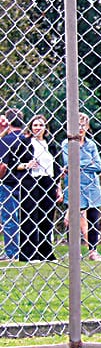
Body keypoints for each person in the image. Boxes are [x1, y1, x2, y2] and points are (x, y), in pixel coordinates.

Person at [16, 114, 63, 262]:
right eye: (35, 125)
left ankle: (45, 252)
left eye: (41, 125)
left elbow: (56, 167)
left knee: (46, 217)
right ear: (30, 127)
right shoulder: (25, 142)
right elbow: (14, 164)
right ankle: (29, 253)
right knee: (30, 217)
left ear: (45, 128)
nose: (38, 128)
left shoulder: (50, 144)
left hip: (47, 181)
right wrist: (26, 165)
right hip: (31, 181)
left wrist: (58, 186)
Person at [62, 114, 101, 262]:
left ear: (87, 127)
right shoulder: (66, 144)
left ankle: (93, 250)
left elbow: (98, 166)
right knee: (72, 220)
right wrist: (86, 164)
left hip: (91, 187)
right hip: (74, 186)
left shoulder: (91, 145)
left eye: (83, 125)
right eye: (77, 125)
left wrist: (79, 165)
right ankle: (74, 251)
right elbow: (69, 164)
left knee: (93, 218)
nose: (80, 129)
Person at [0, 110, 29, 261]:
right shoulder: (26, 139)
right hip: (27, 184)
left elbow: (3, 165)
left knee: (9, 218)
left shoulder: (6, 141)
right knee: (25, 217)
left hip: (8, 183)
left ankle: (11, 252)